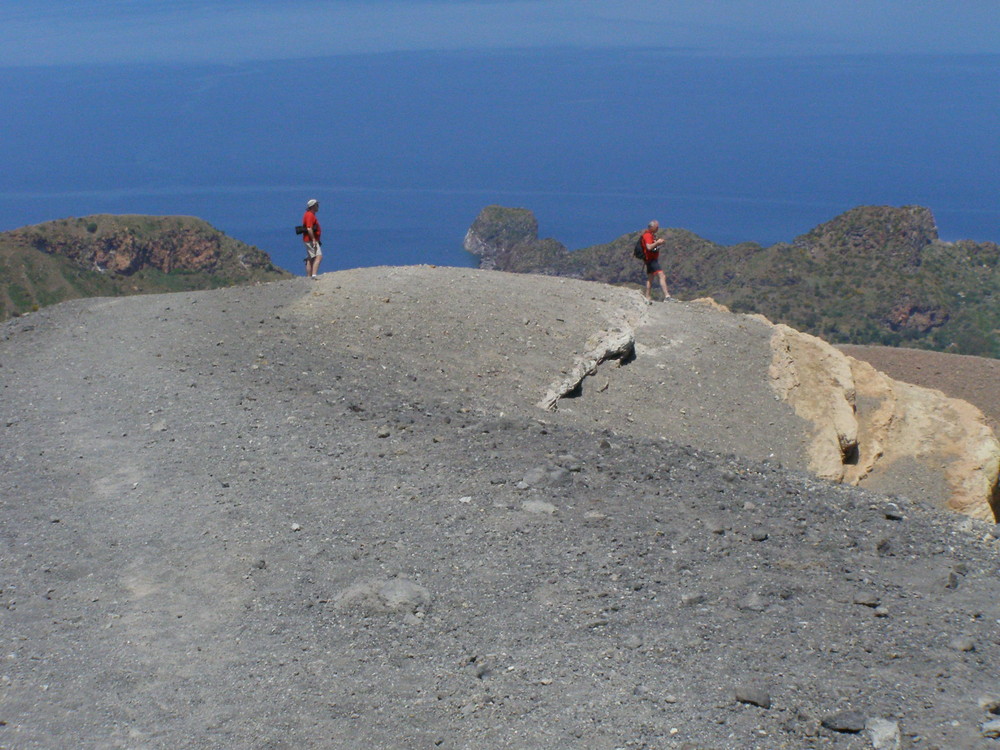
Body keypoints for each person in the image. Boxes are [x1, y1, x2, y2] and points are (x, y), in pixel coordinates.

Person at [641, 220, 671, 301]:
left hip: (649, 259)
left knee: (650, 278)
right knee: (661, 275)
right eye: (656, 227)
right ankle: (667, 296)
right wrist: (657, 242)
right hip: (651, 260)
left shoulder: (650, 235)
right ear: (652, 227)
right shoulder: (647, 235)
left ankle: (647, 296)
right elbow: (649, 247)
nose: (658, 228)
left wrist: (658, 244)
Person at [302, 199, 322, 278]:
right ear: (313, 206)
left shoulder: (309, 214)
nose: (318, 207)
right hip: (310, 240)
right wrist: (313, 239)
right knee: (318, 256)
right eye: (317, 205)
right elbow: (309, 228)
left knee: (311, 258)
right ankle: (314, 275)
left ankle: (309, 276)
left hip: (309, 239)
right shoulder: (310, 215)